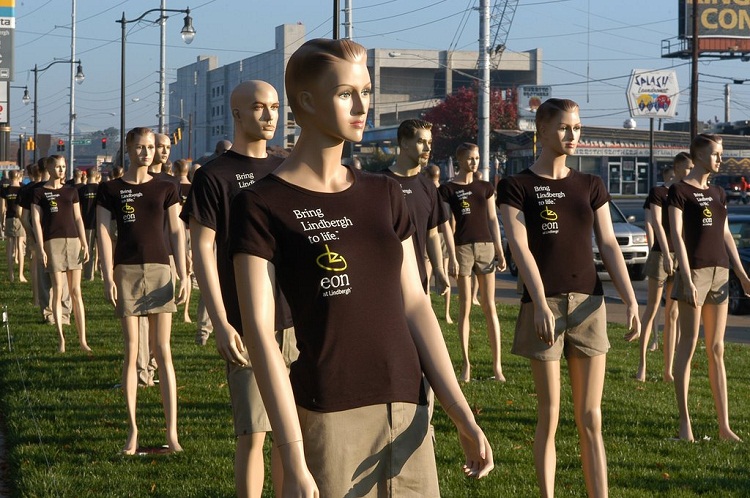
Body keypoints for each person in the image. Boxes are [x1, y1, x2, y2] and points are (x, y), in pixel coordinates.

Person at [229, 38, 493, 497]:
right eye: (345, 93)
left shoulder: (384, 194)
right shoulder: (261, 204)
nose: (361, 105)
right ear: (306, 101)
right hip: (329, 413)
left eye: (366, 91)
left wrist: (461, 413)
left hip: (409, 410)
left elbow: (415, 305)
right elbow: (261, 337)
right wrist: (292, 455)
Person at [498, 98, 640, 498]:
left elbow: (608, 244)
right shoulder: (517, 186)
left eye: (577, 127)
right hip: (544, 307)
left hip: (589, 305)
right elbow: (520, 248)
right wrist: (540, 302)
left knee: (591, 417)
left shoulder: (590, 184)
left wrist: (631, 299)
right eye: (564, 127)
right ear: (542, 131)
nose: (572, 134)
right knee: (550, 415)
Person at [182, 80, 296, 497]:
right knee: (253, 433)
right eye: (259, 107)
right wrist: (221, 321)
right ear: (237, 114)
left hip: (295, 317)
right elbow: (202, 250)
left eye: (275, 107)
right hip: (247, 320)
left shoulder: (287, 168)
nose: (269, 116)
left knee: (292, 435)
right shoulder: (214, 176)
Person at [96, 127, 187, 454]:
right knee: (132, 351)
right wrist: (107, 275)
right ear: (129, 149)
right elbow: (103, 233)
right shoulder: (111, 189)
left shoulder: (167, 187)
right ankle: (132, 431)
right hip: (127, 270)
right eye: (140, 147)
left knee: (163, 351)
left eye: (150, 147)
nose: (146, 152)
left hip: (160, 270)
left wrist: (183, 273)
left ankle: (172, 433)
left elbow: (176, 230)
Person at [668, 133, 749, 442]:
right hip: (695, 273)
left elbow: (726, 234)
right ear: (700, 155)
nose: (720, 159)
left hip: (720, 273)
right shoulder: (679, 191)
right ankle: (685, 425)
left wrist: (741, 273)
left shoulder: (718, 192)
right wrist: (686, 277)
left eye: (720, 153)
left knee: (717, 348)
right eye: (716, 153)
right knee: (688, 345)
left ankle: (724, 426)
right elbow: (677, 236)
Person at [439, 142, 507, 382]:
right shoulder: (447, 189)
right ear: (460, 160)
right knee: (465, 306)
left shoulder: (485, 187)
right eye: (470, 158)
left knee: (490, 306)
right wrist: (451, 255)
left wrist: (499, 250)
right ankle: (466, 365)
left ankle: (497, 367)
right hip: (463, 248)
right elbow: (446, 225)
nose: (474, 162)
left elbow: (492, 219)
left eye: (477, 158)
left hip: (486, 247)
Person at [626, 154, 693, 382]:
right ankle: (642, 365)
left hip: (681, 255)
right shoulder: (658, 192)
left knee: (673, 313)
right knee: (653, 308)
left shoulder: (686, 193)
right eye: (688, 167)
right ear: (678, 168)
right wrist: (665, 253)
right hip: (660, 254)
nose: (690, 171)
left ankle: (668, 370)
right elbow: (656, 222)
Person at [380, 119, 453, 296]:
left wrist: (438, 269)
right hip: (384, 281)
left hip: (418, 279)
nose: (427, 148)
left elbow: (432, 234)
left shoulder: (428, 187)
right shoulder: (379, 183)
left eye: (430, 142)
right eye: (421, 142)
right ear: (404, 143)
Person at [30, 155, 90, 353]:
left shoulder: (71, 191)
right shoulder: (39, 193)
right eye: (57, 166)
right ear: (49, 168)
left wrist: (84, 242)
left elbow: (78, 218)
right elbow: (36, 222)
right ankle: (61, 339)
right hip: (52, 243)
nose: (61, 170)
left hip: (73, 242)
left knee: (76, 292)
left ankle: (83, 340)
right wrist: (40, 247)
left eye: (64, 166)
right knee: (57, 289)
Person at [425, 164, 455, 322]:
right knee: (444, 275)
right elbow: (451, 220)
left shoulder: (428, 191)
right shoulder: (444, 192)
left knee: (426, 276)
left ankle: (428, 311)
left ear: (427, 176)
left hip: (431, 235)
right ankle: (447, 313)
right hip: (444, 236)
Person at [173, 159, 193, 323]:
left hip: (177, 230)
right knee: (188, 273)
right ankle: (186, 312)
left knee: (174, 270)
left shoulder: (173, 187)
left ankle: (171, 305)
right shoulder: (194, 188)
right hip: (192, 231)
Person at [0, 169, 27, 283]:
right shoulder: (22, 189)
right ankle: (20, 275)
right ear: (18, 176)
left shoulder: (5, 190)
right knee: (20, 246)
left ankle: (11, 274)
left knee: (9, 246)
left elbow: (2, 208)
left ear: (9, 177)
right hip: (20, 219)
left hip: (9, 218)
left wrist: (2, 221)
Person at [78, 167, 101, 281]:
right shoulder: (101, 189)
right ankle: (103, 274)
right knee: (102, 251)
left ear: (86, 175)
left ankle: (88, 276)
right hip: (100, 222)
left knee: (89, 250)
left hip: (87, 223)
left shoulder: (82, 190)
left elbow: (79, 208)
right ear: (97, 175)